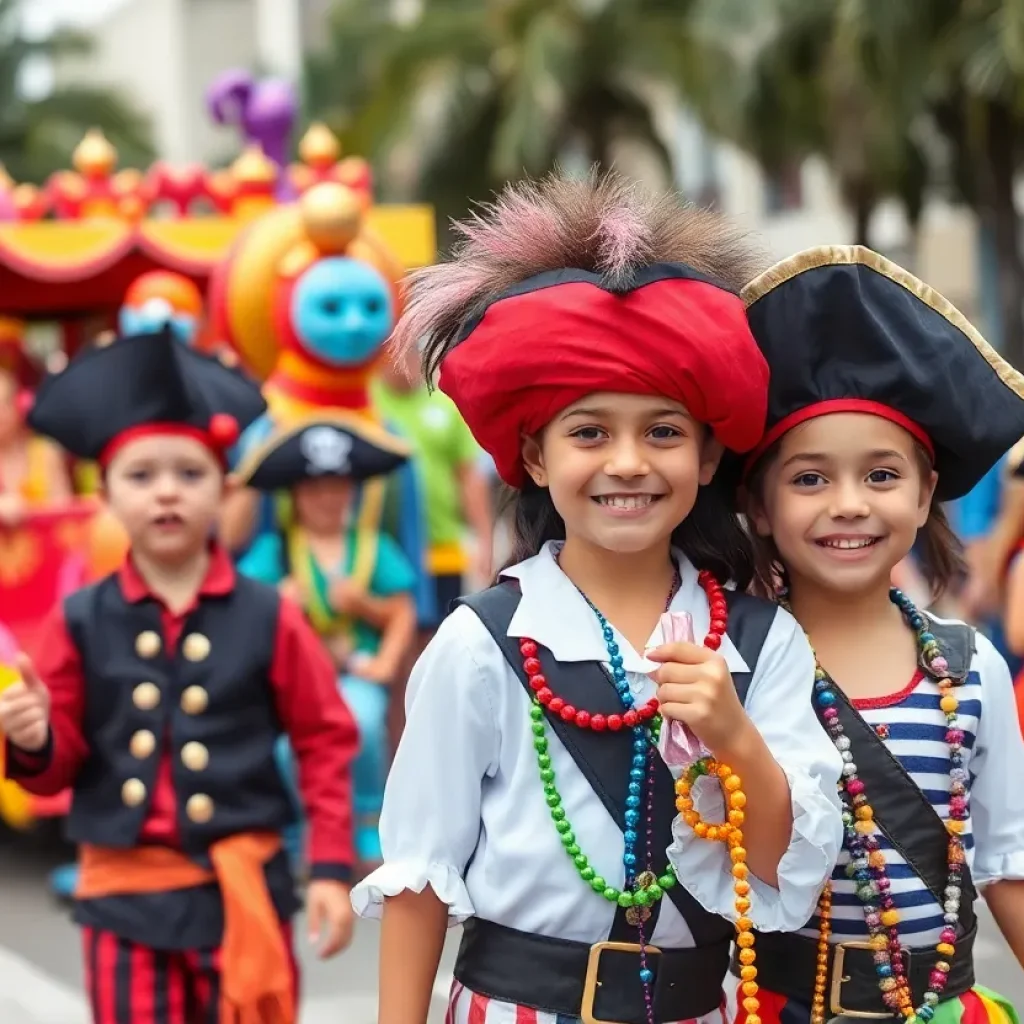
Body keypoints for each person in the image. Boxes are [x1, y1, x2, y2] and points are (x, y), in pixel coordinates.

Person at [350, 171, 845, 1024]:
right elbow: (419, 875)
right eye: (589, 432)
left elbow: (778, 869)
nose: (626, 462)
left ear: (709, 457)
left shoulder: (765, 644)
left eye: (662, 431)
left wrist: (735, 737)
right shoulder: (482, 642)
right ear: (536, 459)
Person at [0, 327, 358, 1024]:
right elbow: (51, 773)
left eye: (188, 474)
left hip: (243, 892)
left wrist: (331, 870)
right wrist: (34, 738)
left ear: (223, 488)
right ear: (104, 491)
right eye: (141, 476)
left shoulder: (270, 615)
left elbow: (325, 739)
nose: (166, 493)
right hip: (122, 903)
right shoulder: (76, 619)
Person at [739, 245, 1024, 1024]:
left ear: (927, 491)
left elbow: (1006, 861)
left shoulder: (971, 670)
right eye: (809, 479)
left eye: (881, 475)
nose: (849, 504)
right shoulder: (731, 665)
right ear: (758, 507)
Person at [236, 412, 417, 870]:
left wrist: (371, 629)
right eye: (316, 489)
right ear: (296, 495)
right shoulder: (275, 551)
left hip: (356, 670)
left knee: (361, 723)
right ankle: (301, 827)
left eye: (338, 487)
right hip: (295, 679)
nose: (328, 499)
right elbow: (243, 609)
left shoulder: (372, 547)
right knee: (283, 747)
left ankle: (365, 819)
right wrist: (279, 603)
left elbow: (402, 612)